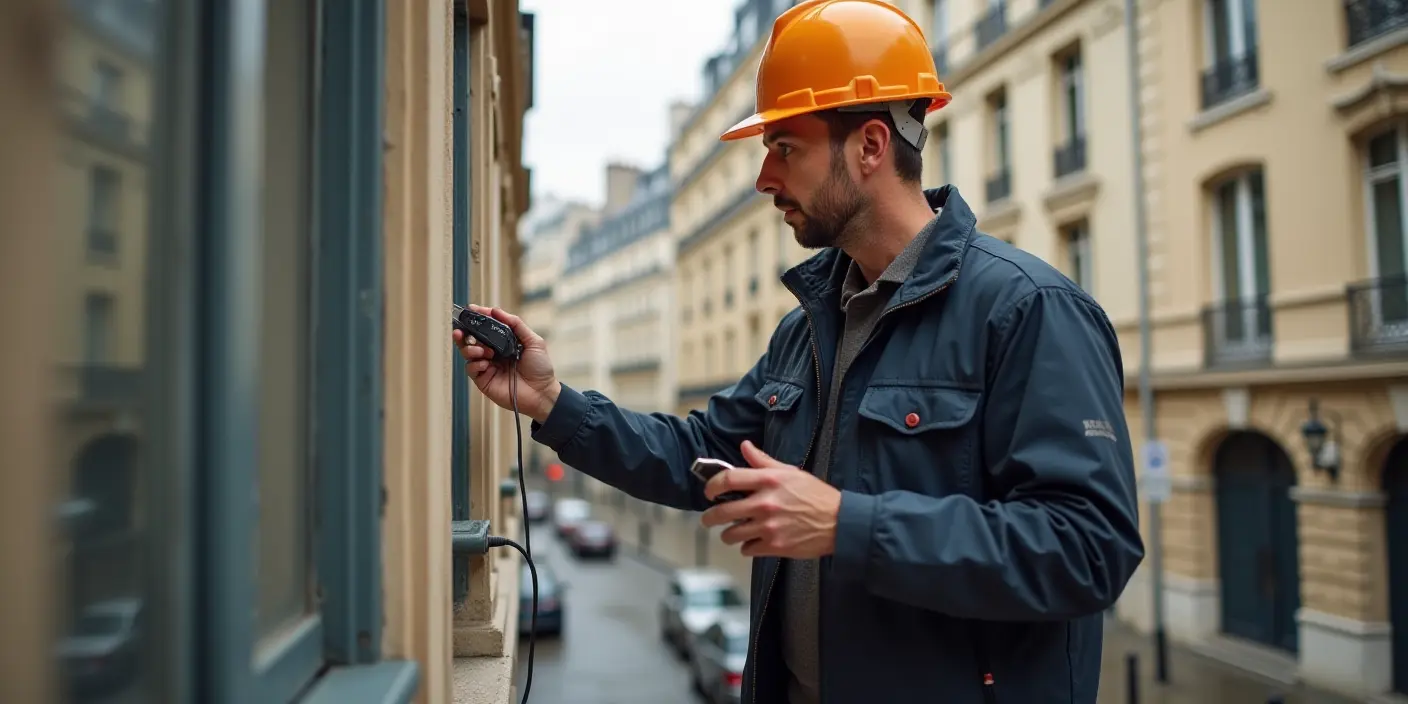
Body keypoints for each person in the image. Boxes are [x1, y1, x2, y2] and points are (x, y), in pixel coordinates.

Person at [454, 0, 1144, 701]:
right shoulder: (808, 326)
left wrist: (850, 524)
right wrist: (552, 403)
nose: (764, 179)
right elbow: (697, 454)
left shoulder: (1030, 310)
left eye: (785, 148)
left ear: (871, 146)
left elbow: (1089, 548)